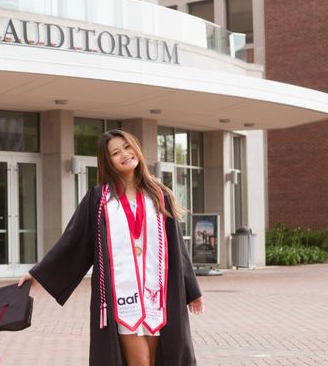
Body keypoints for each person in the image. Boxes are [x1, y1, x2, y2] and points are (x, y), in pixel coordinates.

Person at [19, 129, 204, 366]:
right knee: (140, 362)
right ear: (109, 162)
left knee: (163, 357)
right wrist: (38, 274)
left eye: (128, 147)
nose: (125, 155)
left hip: (159, 296)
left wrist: (192, 290)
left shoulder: (159, 196)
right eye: (116, 153)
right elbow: (73, 240)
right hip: (122, 298)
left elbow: (177, 247)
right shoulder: (100, 200)